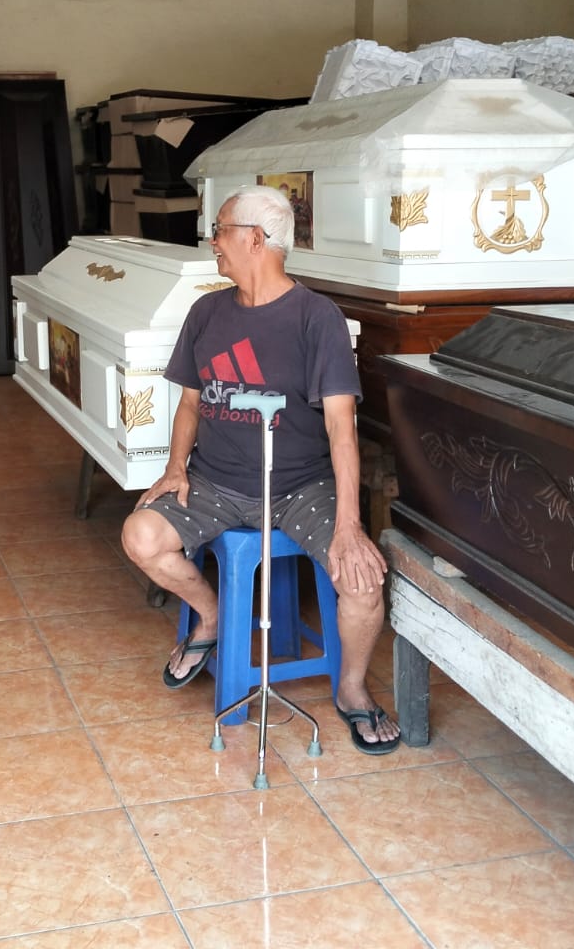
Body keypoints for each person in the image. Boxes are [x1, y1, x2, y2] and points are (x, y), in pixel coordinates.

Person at [121, 184, 403, 754]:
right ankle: (212, 618)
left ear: (255, 239)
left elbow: (341, 429)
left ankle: (351, 688)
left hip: (300, 487)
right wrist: (176, 467)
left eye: (220, 230)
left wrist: (349, 526)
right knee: (140, 536)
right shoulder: (207, 312)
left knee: (362, 580)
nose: (213, 242)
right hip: (215, 482)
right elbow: (190, 404)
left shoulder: (316, 318)